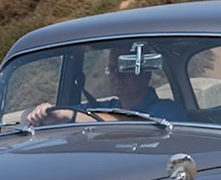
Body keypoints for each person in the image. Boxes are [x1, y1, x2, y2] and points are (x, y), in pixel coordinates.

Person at [24, 48, 183, 125]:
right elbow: (61, 113)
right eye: (112, 69)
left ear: (145, 74)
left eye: (124, 68)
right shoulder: (104, 107)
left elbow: (136, 123)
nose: (116, 76)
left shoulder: (168, 110)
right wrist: (41, 113)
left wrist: (70, 115)